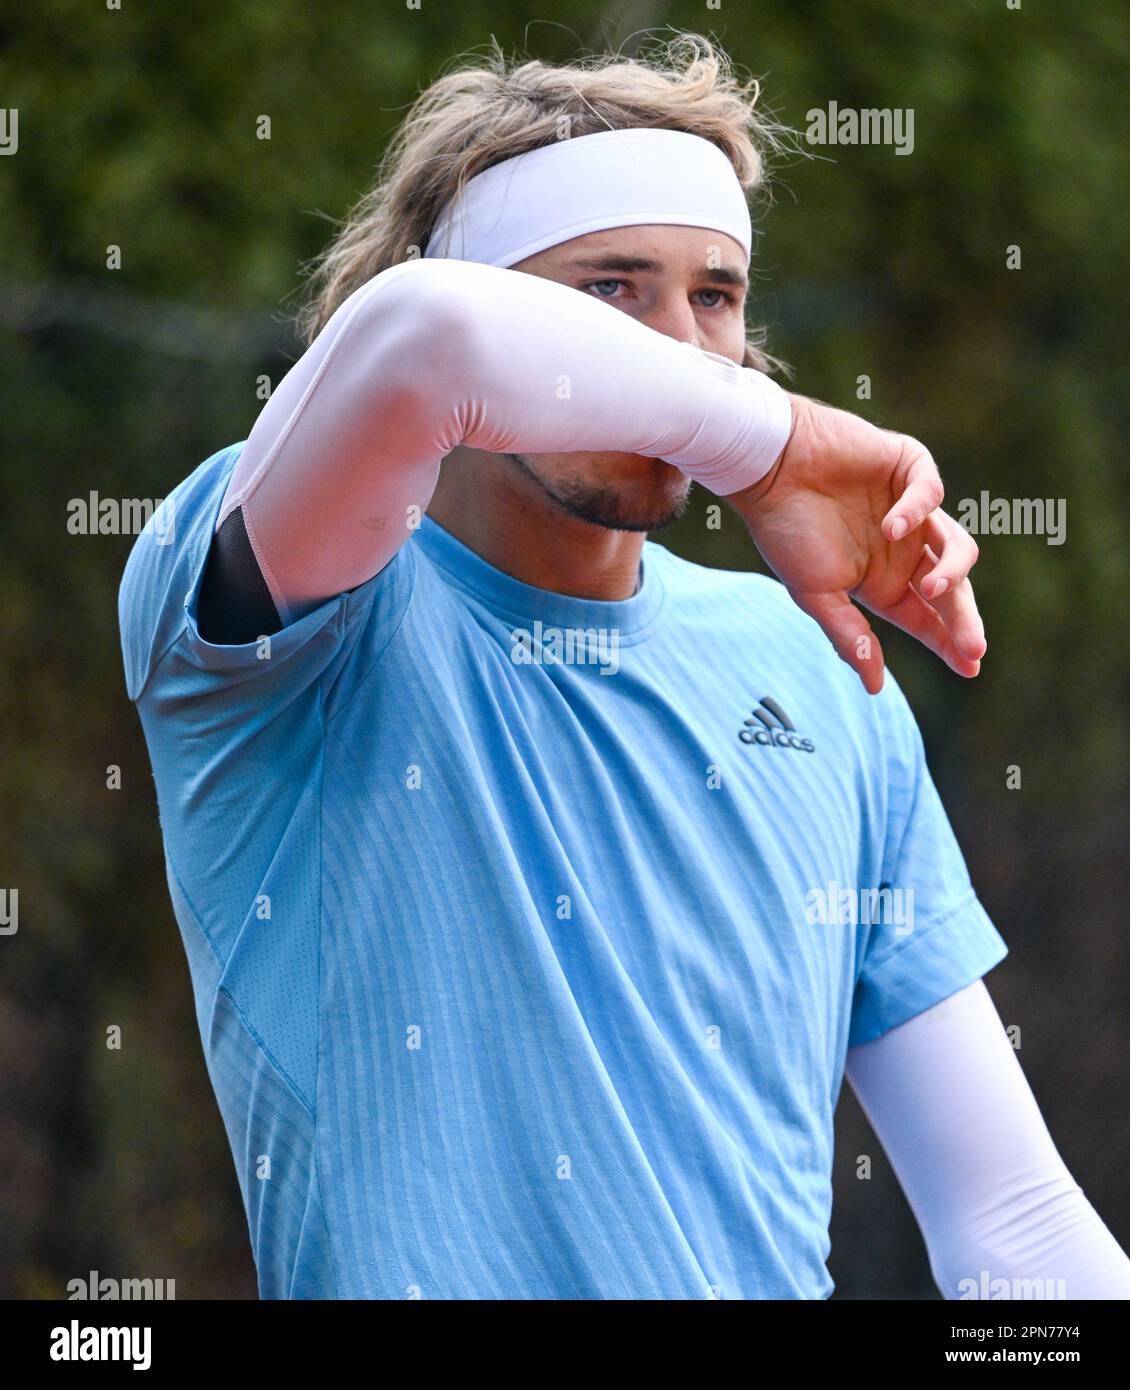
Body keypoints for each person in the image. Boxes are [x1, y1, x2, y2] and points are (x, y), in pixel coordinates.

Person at [119, 37, 1130, 1299]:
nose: (680, 348)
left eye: (715, 296)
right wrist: (768, 445)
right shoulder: (290, 607)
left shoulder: (813, 669)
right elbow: (422, 339)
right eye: (610, 290)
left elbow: (1013, 1223)